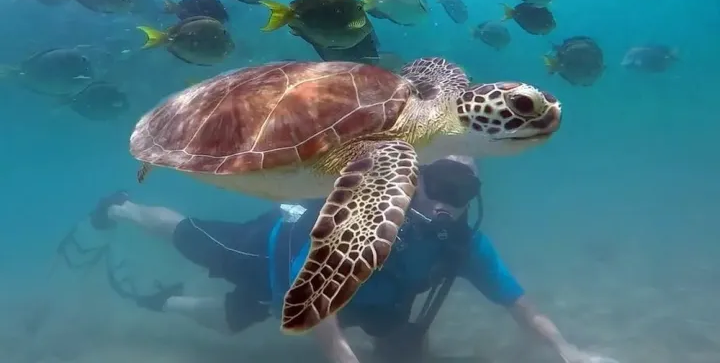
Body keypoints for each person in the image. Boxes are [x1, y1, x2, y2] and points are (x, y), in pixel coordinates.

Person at [90, 156, 613, 363]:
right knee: (189, 236)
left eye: (464, 190)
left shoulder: (462, 242)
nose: (447, 203)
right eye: (440, 186)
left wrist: (569, 350)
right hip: (271, 254)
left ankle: (163, 303)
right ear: (415, 182)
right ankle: (124, 209)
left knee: (232, 322)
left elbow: (516, 302)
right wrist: (339, 351)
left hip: (366, 302)